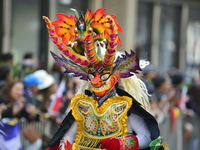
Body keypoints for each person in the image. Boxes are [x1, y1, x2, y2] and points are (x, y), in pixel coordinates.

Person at [43, 8, 167, 150]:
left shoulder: (125, 106)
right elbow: (69, 136)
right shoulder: (83, 107)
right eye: (91, 75)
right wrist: (63, 145)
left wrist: (120, 144)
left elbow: (146, 137)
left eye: (103, 75)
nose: (96, 80)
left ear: (114, 78)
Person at [0, 80, 39, 150]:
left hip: (13, 141)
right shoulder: (2, 99)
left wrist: (33, 113)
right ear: (10, 89)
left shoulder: (20, 103)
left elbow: (28, 117)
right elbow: (4, 114)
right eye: (17, 89)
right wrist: (17, 109)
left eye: (21, 90)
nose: (19, 92)